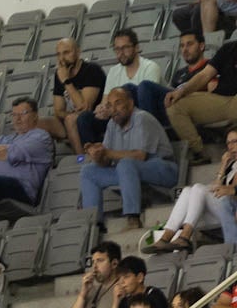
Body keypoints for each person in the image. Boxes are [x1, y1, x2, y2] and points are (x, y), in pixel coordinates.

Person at [79, 88, 177, 233]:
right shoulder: (112, 124)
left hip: (162, 168)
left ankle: (133, 217)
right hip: (128, 171)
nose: (114, 109)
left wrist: (107, 152)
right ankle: (94, 226)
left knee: (126, 163)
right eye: (110, 105)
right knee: (88, 171)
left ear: (130, 104)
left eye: (118, 103)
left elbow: (140, 156)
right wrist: (98, 156)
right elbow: (107, 161)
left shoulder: (142, 118)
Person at [148, 126, 237, 251]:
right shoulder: (231, 165)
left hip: (232, 208)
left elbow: (230, 190)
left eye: (235, 142)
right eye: (228, 143)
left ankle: (184, 237)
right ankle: (166, 237)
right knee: (187, 191)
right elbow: (216, 187)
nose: (231, 146)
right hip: (222, 207)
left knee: (199, 189)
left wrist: (226, 188)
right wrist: (223, 167)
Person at [166, 24, 237, 162]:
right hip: (223, 100)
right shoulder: (228, 49)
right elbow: (204, 75)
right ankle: (199, 152)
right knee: (176, 104)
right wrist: (182, 91)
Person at [38, 39, 108, 155]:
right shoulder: (59, 74)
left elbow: (85, 107)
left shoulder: (92, 70)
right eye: (58, 54)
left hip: (94, 118)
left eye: (66, 53)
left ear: (78, 52)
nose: (62, 58)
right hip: (69, 119)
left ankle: (80, 160)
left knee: (71, 120)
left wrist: (66, 81)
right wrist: (68, 115)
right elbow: (58, 110)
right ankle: (47, 165)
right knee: (37, 123)